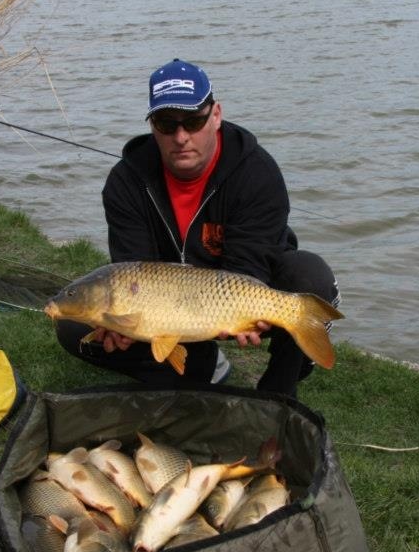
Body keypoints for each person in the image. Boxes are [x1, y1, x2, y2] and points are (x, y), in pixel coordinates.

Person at [55, 59, 339, 398]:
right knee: (76, 327)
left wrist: (238, 318)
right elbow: (132, 270)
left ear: (215, 115)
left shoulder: (256, 172)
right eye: (166, 123)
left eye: (193, 121)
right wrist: (120, 326)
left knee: (309, 276)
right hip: (168, 304)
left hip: (240, 288)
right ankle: (198, 369)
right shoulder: (126, 181)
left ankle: (279, 391)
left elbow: (248, 266)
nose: (181, 136)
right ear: (152, 125)